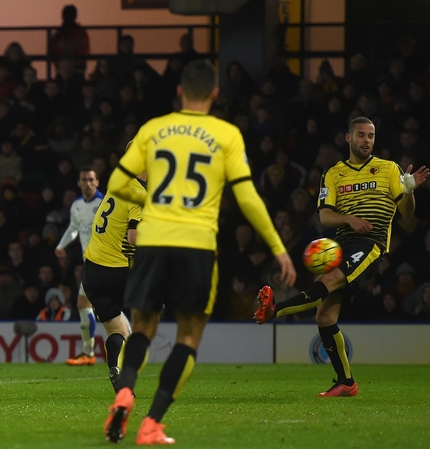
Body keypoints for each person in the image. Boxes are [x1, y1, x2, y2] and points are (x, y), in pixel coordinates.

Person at [103, 59, 296, 444]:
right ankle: (152, 423)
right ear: (215, 94)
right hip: (196, 245)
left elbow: (116, 182)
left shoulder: (153, 129)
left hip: (154, 240)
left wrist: (155, 200)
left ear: (179, 91)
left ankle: (124, 393)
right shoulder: (226, 134)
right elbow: (247, 196)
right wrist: (278, 248)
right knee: (188, 338)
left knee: (140, 329)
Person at [254, 116, 429, 396]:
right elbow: (324, 215)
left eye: (371, 136)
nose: (366, 141)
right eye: (361, 135)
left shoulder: (388, 169)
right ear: (348, 138)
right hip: (342, 244)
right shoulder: (333, 173)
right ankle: (346, 382)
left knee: (329, 281)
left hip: (370, 244)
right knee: (324, 317)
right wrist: (349, 219)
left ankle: (275, 310)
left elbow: (407, 212)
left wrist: (408, 190)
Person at [82, 167, 145, 392]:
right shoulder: (138, 194)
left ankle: (114, 369)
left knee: (118, 331)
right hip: (115, 269)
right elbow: (134, 237)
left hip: (90, 271)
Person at [54, 166, 103, 366]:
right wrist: (60, 246)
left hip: (105, 262)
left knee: (103, 309)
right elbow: (74, 229)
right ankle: (89, 352)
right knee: (84, 305)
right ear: (79, 183)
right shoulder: (76, 205)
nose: (88, 183)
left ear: (97, 182)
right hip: (90, 264)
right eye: (84, 180)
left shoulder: (104, 204)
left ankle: (91, 352)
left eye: (91, 179)